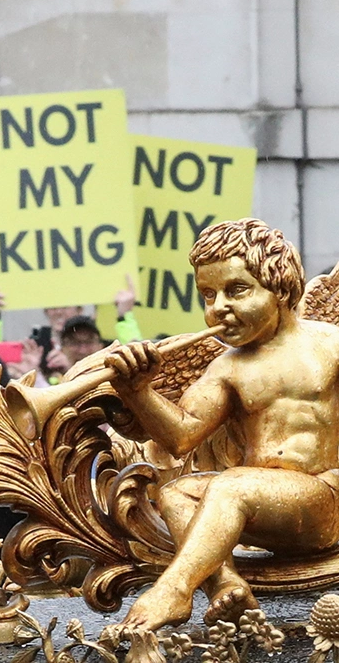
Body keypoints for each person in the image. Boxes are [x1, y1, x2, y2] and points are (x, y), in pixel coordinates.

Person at [107, 218, 339, 630]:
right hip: (262, 508)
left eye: (236, 291)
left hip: (325, 503)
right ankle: (224, 584)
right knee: (178, 494)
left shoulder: (329, 346)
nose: (218, 308)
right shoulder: (225, 369)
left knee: (231, 484)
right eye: (208, 295)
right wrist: (137, 392)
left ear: (281, 288)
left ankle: (175, 588)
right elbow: (181, 437)